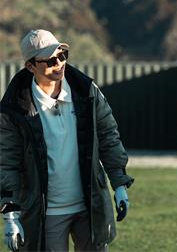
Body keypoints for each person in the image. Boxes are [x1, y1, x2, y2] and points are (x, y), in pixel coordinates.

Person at [0, 29, 134, 252]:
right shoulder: (14, 108)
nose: (59, 64)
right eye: (50, 60)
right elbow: (7, 161)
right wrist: (11, 215)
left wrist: (119, 183)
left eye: (62, 56)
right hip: (46, 213)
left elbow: (108, 136)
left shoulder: (87, 92)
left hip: (89, 207)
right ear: (31, 67)